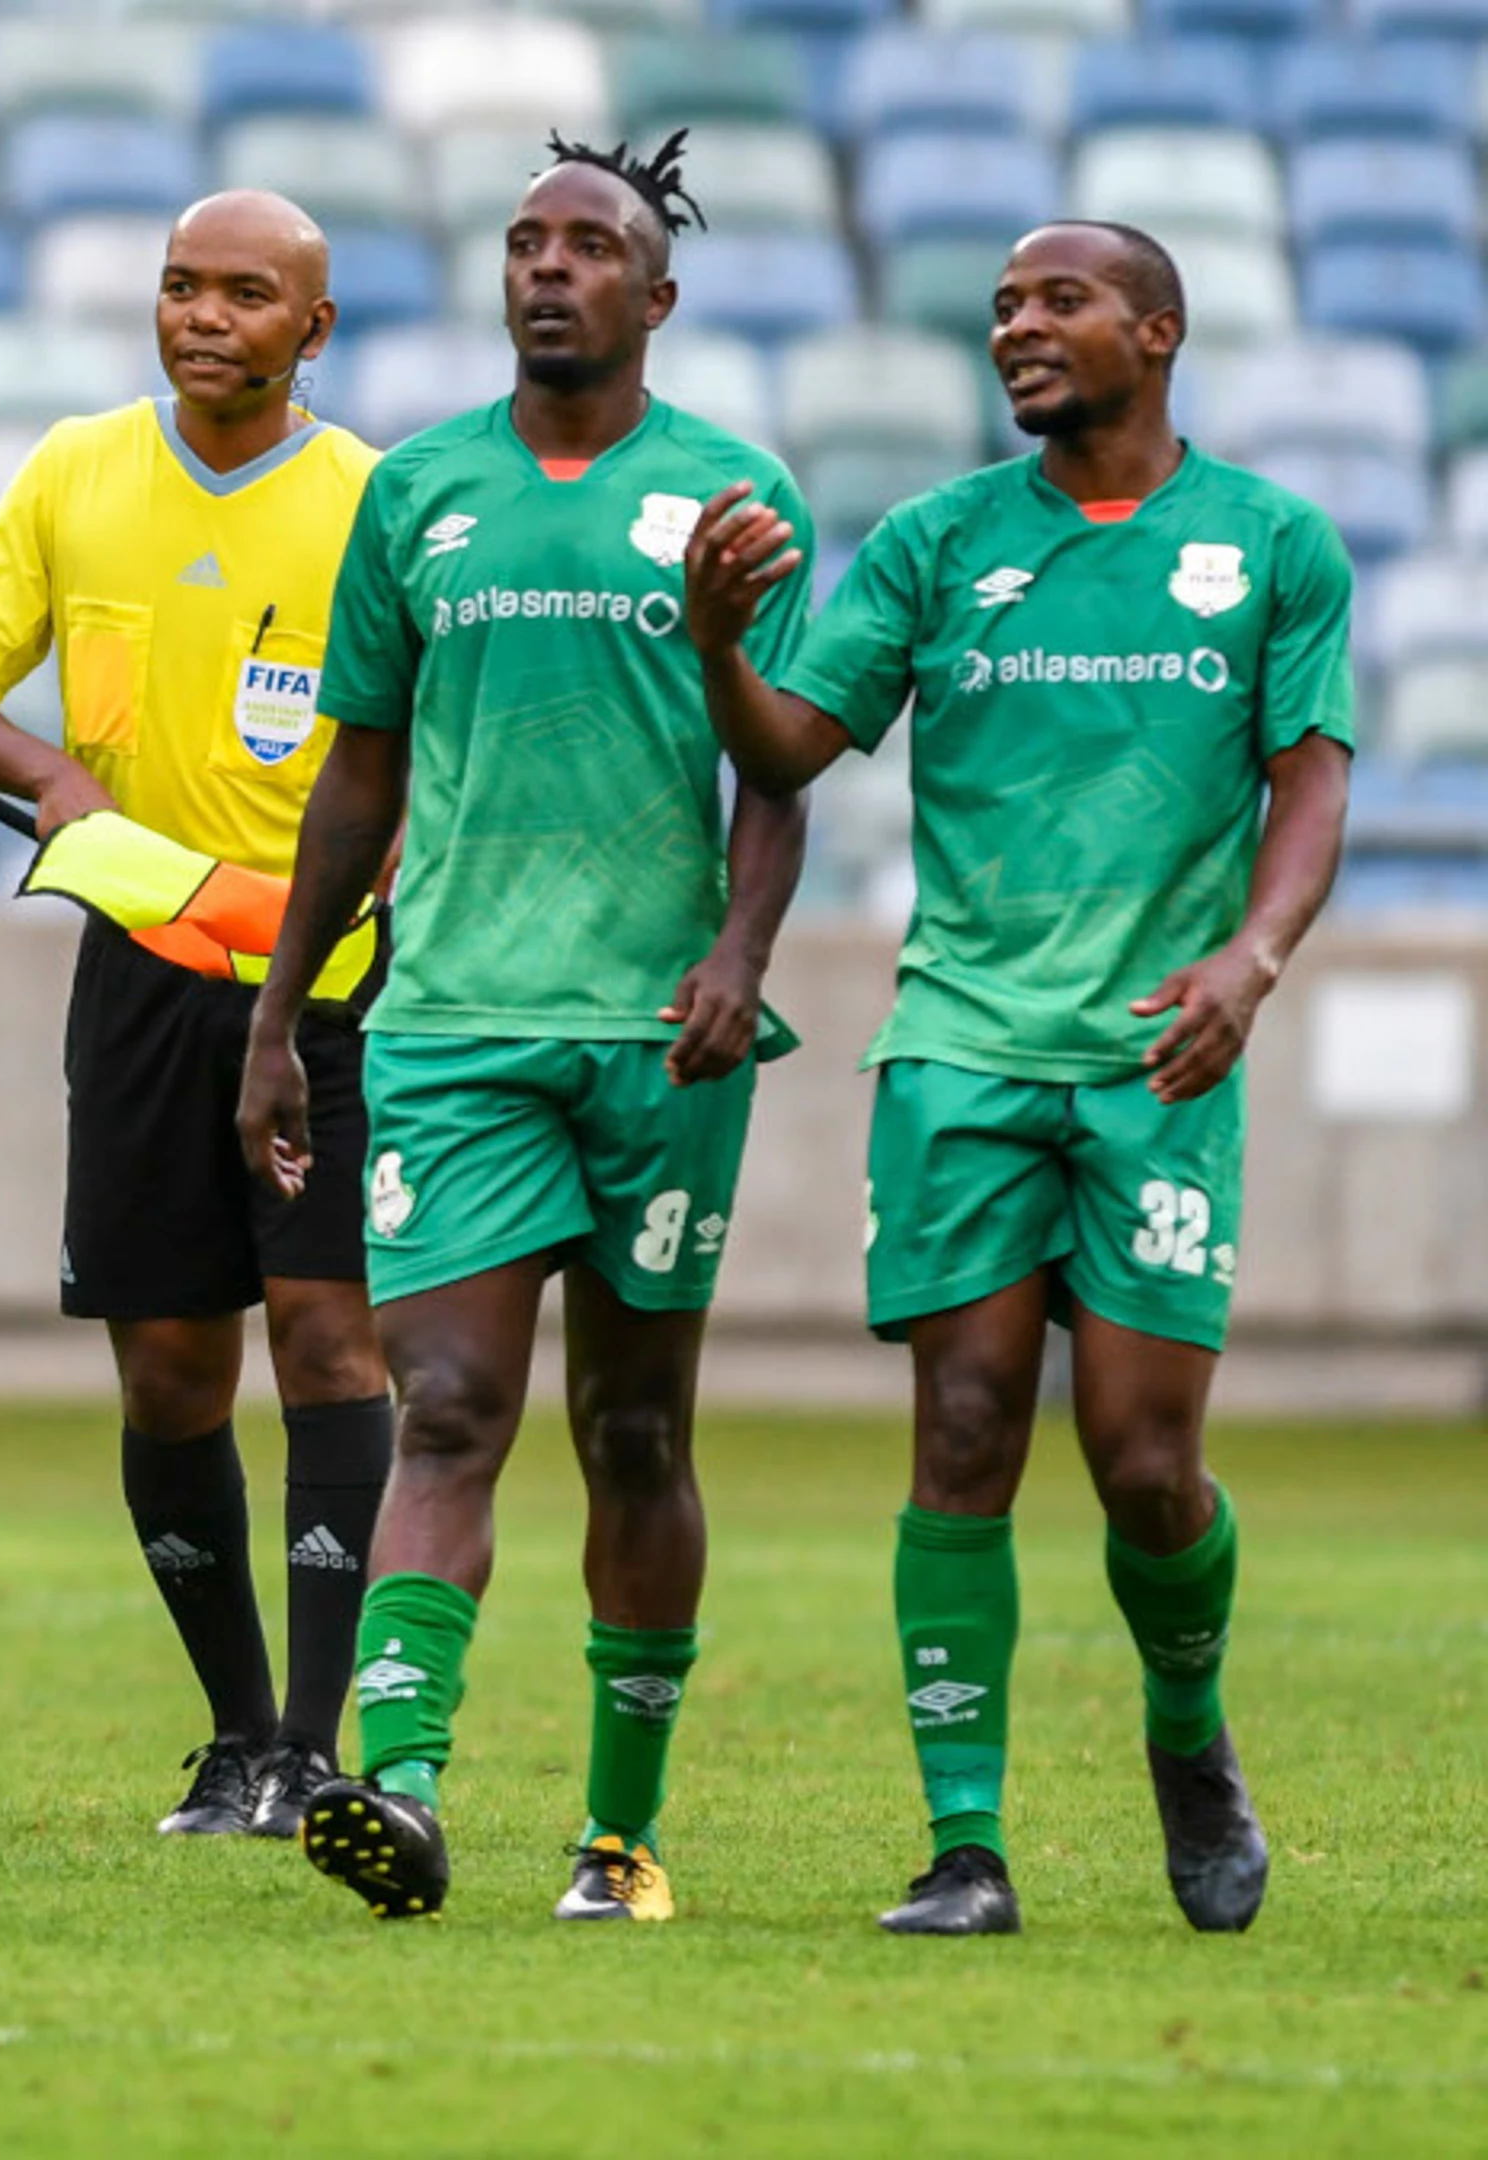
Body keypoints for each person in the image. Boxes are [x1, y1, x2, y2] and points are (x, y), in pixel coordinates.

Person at [679, 221, 1341, 1938]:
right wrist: (721, 647)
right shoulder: (936, 540)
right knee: (965, 1427)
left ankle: (1187, 1730)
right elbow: (789, 750)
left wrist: (1252, 960)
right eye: (1001, 309)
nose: (1019, 329)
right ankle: (965, 1848)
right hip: (961, 1046)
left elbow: (1310, 781)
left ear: (1159, 328)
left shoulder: (1272, 542)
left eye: (1060, 301)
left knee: (1143, 1462)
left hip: (1158, 1056)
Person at [236, 133, 814, 1924]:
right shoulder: (418, 492)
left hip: (661, 1034)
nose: (549, 267)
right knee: (449, 1407)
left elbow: (779, 766)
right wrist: (282, 1015)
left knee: (634, 1433)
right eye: (524, 242)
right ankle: (398, 1788)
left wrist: (741, 953)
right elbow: (359, 774)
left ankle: (619, 1839)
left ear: (659, 292)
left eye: (590, 245)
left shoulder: (732, 493)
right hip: (454, 1024)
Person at [0, 191, 393, 1840]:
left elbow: (427, 739)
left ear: (313, 328)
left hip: (331, 981)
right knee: (172, 1371)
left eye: (247, 293)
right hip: (140, 973)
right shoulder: (74, 471)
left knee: (326, 1337)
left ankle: (314, 1746)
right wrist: (48, 773)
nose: (205, 316)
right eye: (183, 286)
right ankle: (237, 1734)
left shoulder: (374, 502)